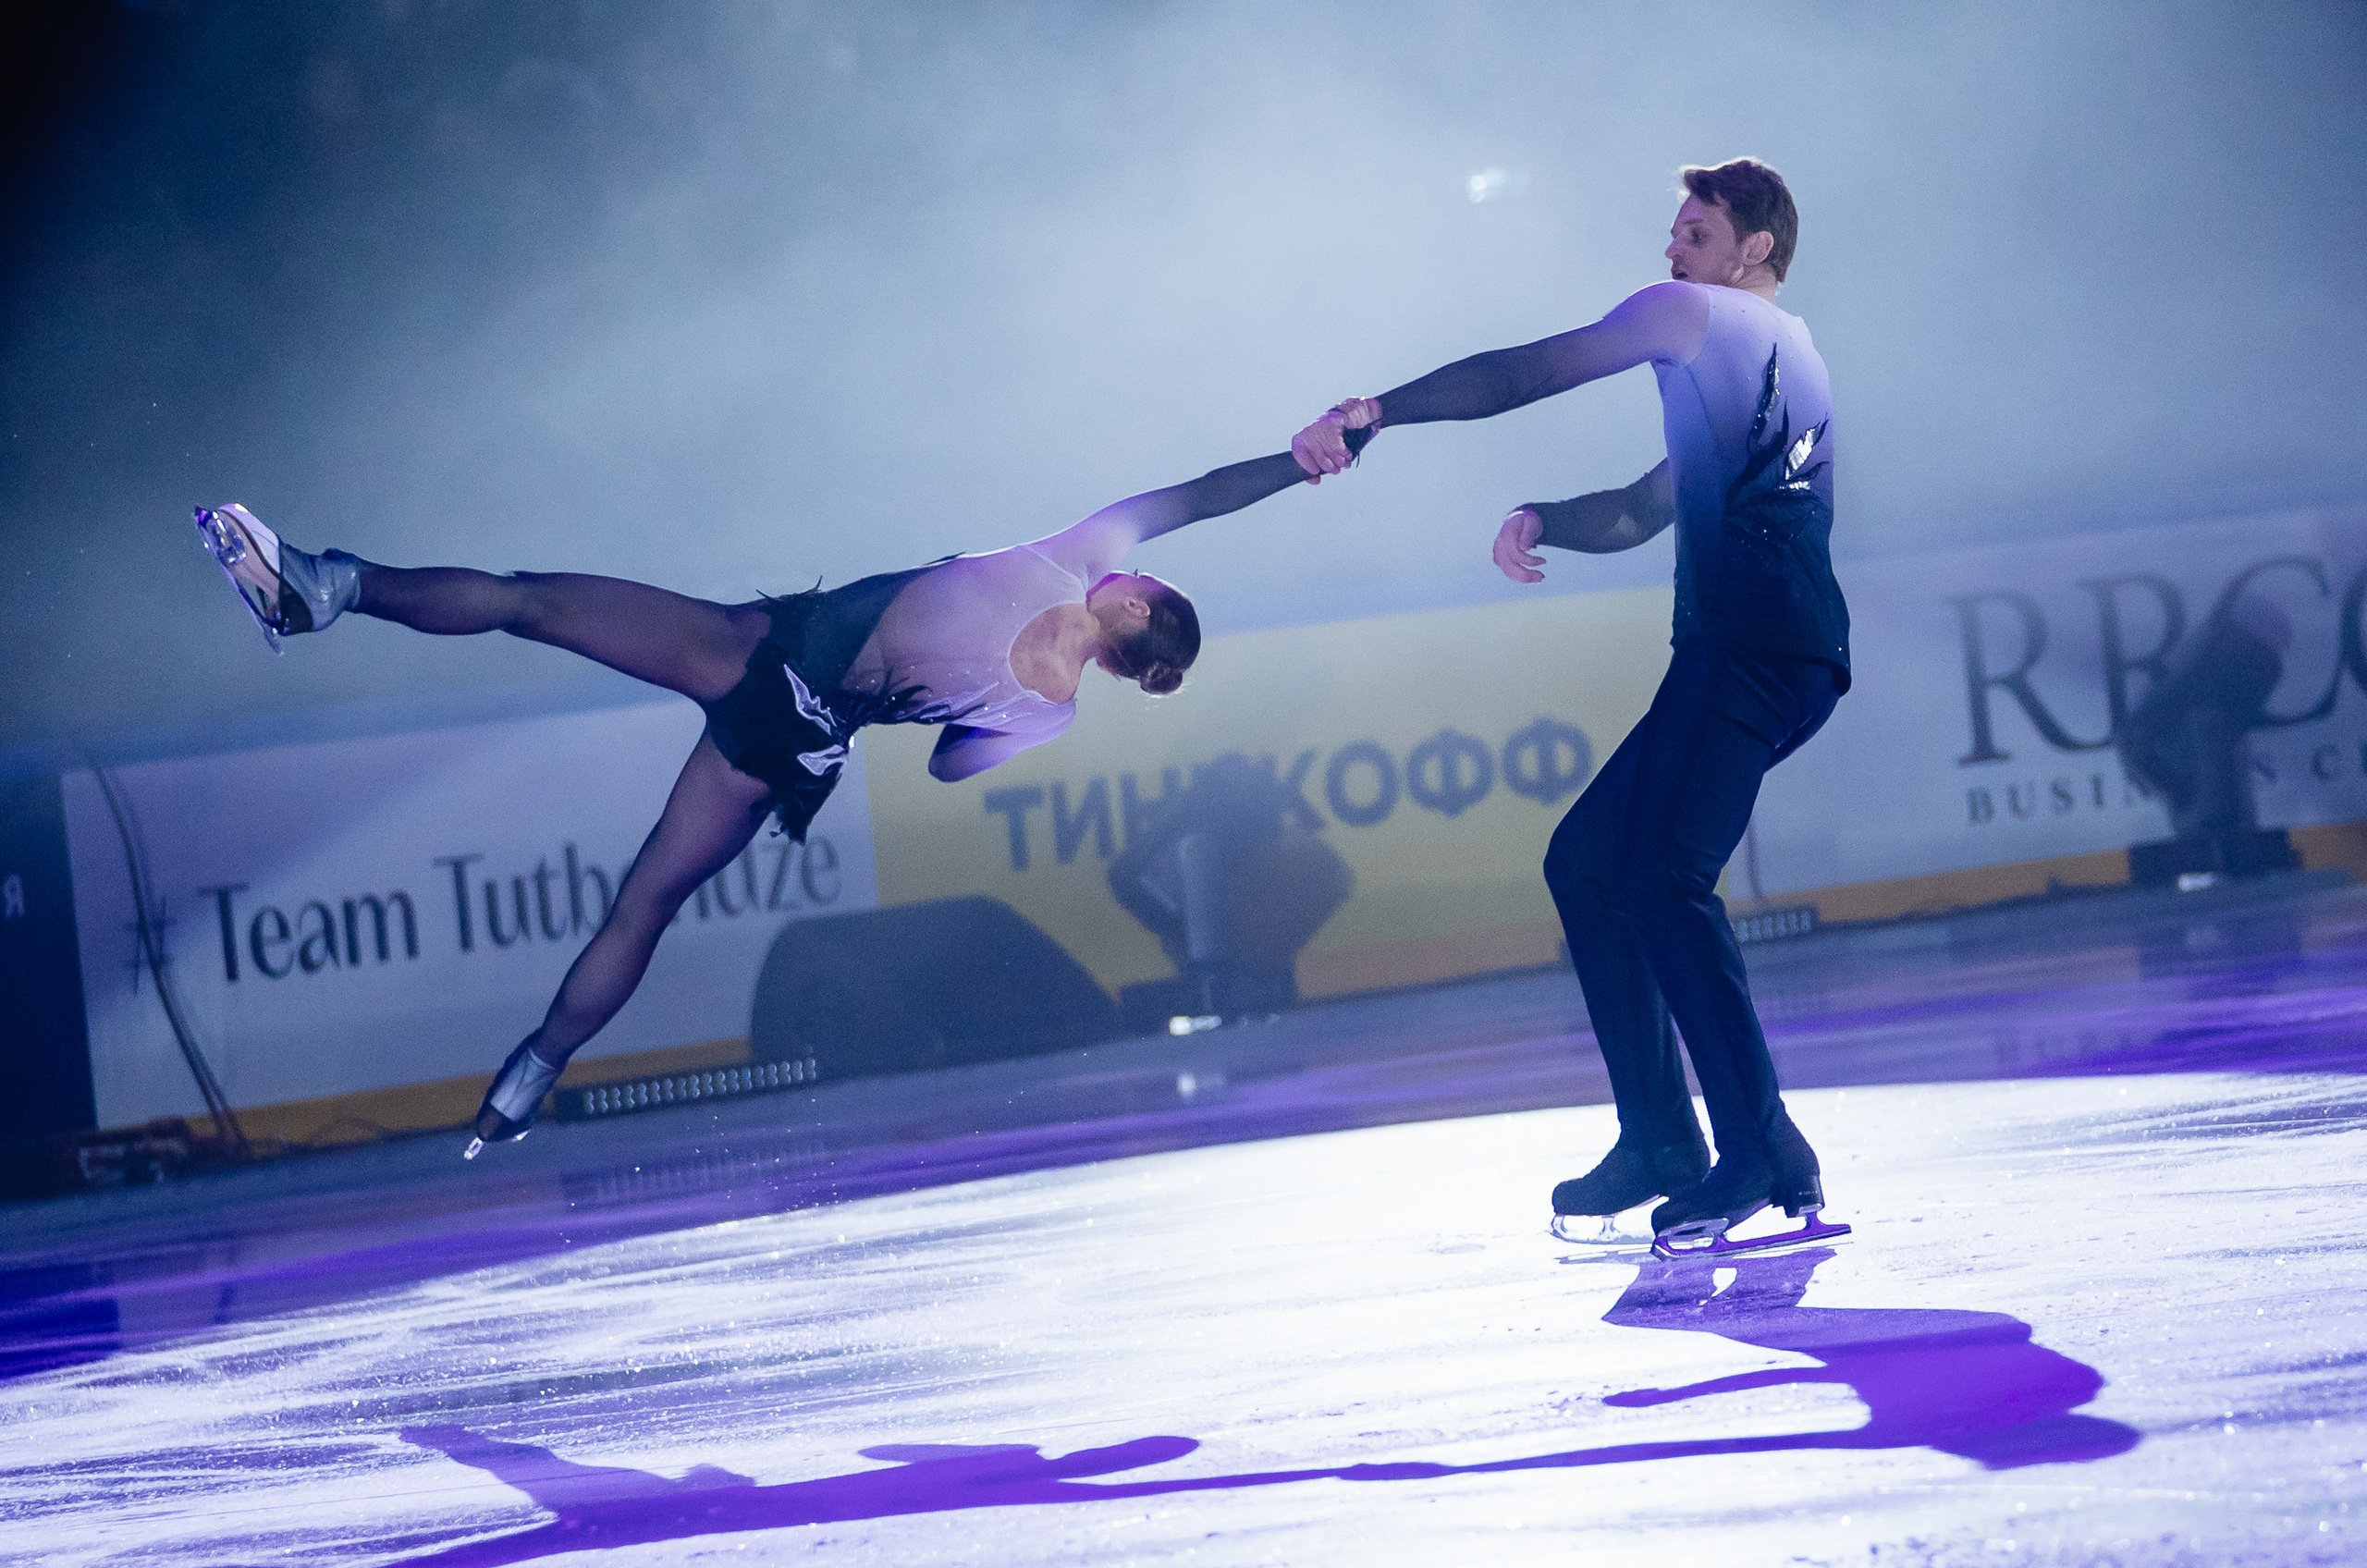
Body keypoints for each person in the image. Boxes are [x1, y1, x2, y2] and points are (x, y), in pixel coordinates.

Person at [191, 435, 1355, 1156]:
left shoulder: (1070, 556)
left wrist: (1299, 465)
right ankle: (528, 1076)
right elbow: (951, 765)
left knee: (531, 601)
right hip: (793, 743)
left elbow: (1199, 492)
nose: (1133, 568)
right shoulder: (1047, 711)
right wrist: (942, 700)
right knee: (643, 901)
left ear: (1141, 613)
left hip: (761, 657)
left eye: (1146, 582)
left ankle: (328, 588)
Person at [1291, 158, 1846, 1247]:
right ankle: (1660, 1140)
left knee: (1660, 878)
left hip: (1753, 650)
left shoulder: (1690, 314)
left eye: (1696, 229)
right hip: (1766, 652)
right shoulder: (1787, 350)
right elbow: (1649, 509)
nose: (1672, 246)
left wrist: (1377, 413)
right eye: (1673, 230)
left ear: (1753, 251)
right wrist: (1545, 518)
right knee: (1590, 863)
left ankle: (1760, 1144)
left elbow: (1528, 372)